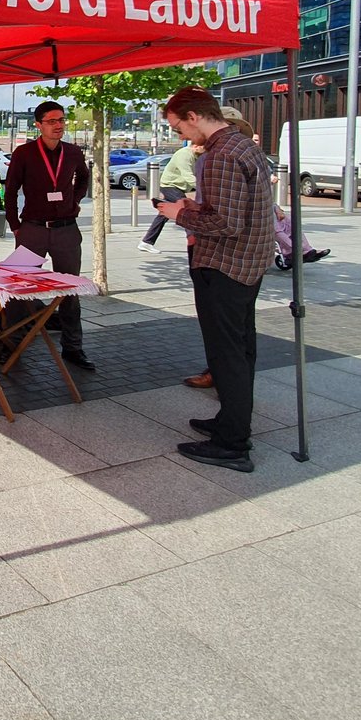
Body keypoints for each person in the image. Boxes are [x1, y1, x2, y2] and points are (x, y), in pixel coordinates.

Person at [156, 87, 273, 473]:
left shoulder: (221, 155)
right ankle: (230, 422)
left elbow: (226, 222)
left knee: (228, 355)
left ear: (193, 116)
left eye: (179, 128)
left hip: (225, 266)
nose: (181, 138)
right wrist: (197, 206)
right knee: (241, 350)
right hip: (247, 266)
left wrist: (178, 213)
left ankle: (232, 443)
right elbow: (235, 209)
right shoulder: (243, 146)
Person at [3, 101, 95, 370]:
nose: (59, 126)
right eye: (52, 121)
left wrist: (75, 201)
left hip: (66, 229)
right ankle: (13, 345)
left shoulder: (73, 152)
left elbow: (84, 178)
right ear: (39, 125)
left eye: (62, 120)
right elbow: (10, 191)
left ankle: (73, 347)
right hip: (32, 227)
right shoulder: (25, 153)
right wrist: (14, 224)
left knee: (69, 290)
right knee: (21, 289)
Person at [138, 143, 197, 253]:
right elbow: (188, 175)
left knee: (163, 215)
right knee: (187, 212)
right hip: (170, 186)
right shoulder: (185, 154)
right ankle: (195, 245)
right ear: (196, 145)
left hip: (174, 187)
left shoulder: (195, 155)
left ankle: (146, 242)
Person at [273, 202, 330, 268]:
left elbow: (270, 200)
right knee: (276, 229)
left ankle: (307, 249)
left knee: (292, 221)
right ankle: (298, 251)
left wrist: (277, 208)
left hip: (273, 214)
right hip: (265, 223)